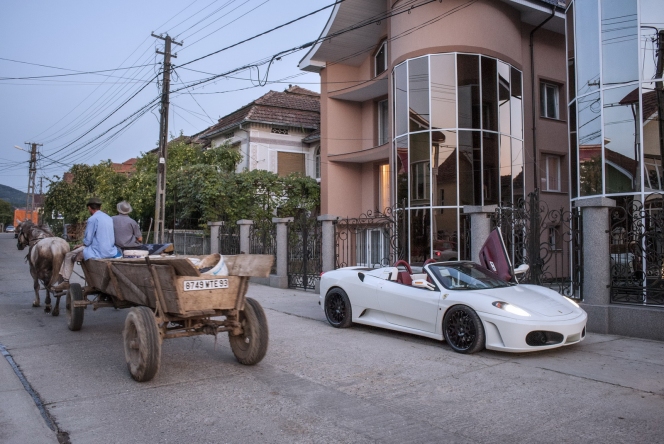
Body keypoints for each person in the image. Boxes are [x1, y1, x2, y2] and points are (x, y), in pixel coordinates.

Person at [52, 197, 119, 291]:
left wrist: (82, 244)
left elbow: (88, 240)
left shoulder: (92, 219)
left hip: (98, 251)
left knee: (68, 255)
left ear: (89, 208)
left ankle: (65, 281)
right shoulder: (109, 218)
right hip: (111, 250)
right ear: (100, 207)